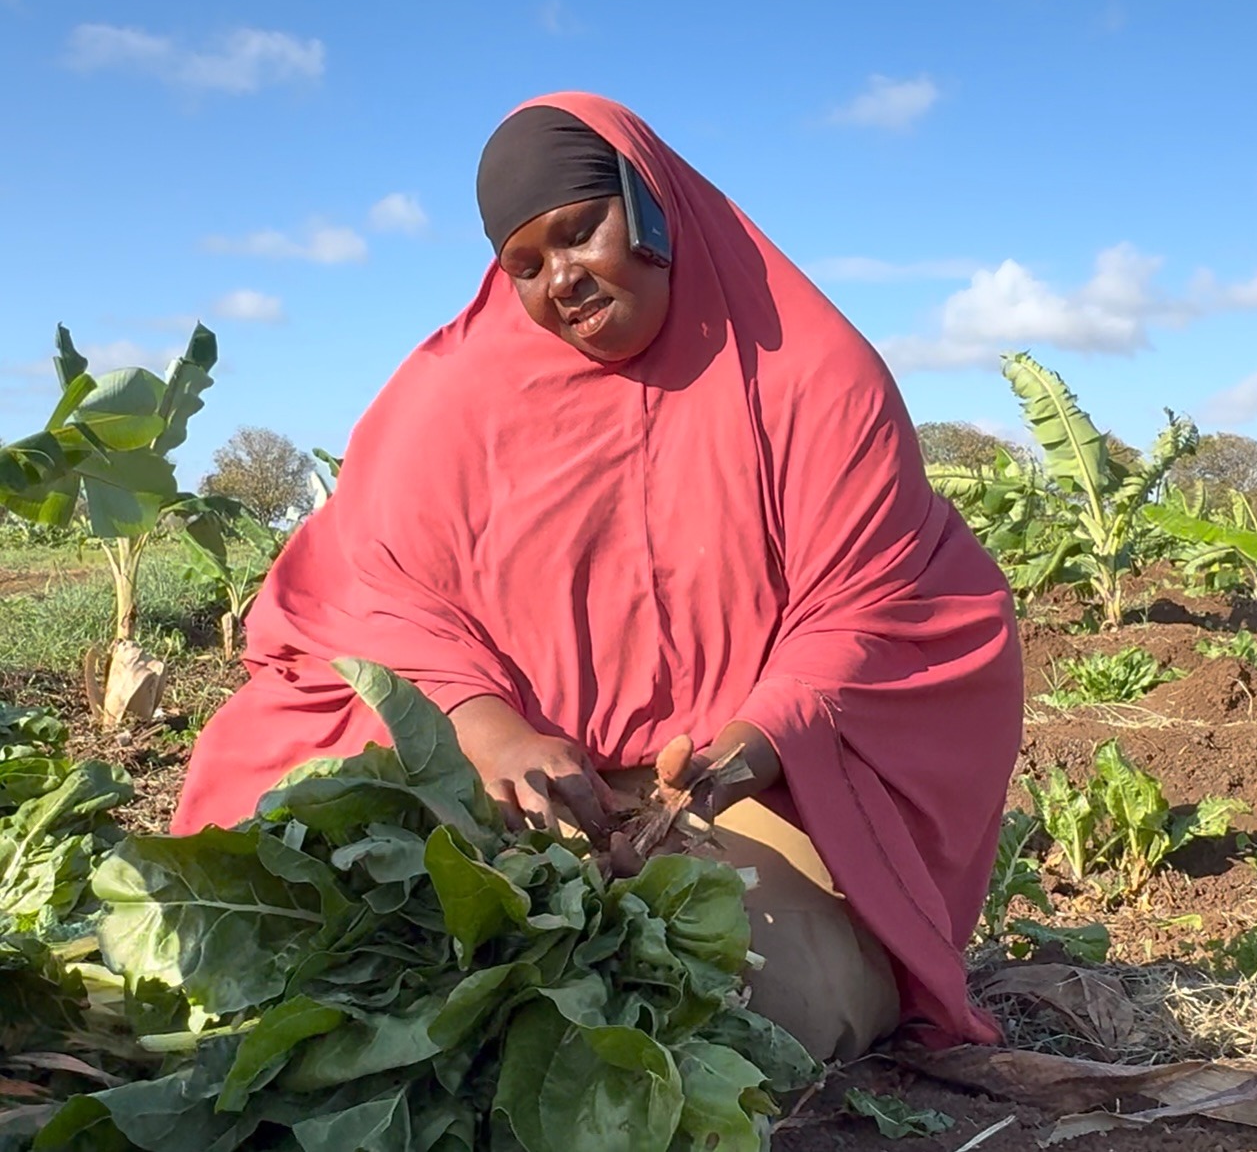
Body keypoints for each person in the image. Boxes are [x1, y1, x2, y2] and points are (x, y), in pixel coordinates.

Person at [173, 91, 1024, 1058]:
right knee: (349, 919)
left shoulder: (812, 377)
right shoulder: (454, 399)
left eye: (582, 234)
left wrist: (733, 758)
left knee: (768, 1002)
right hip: (516, 785)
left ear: (650, 202)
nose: (562, 281)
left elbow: (880, 605)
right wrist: (489, 730)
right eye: (525, 265)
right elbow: (363, 590)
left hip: (739, 796)